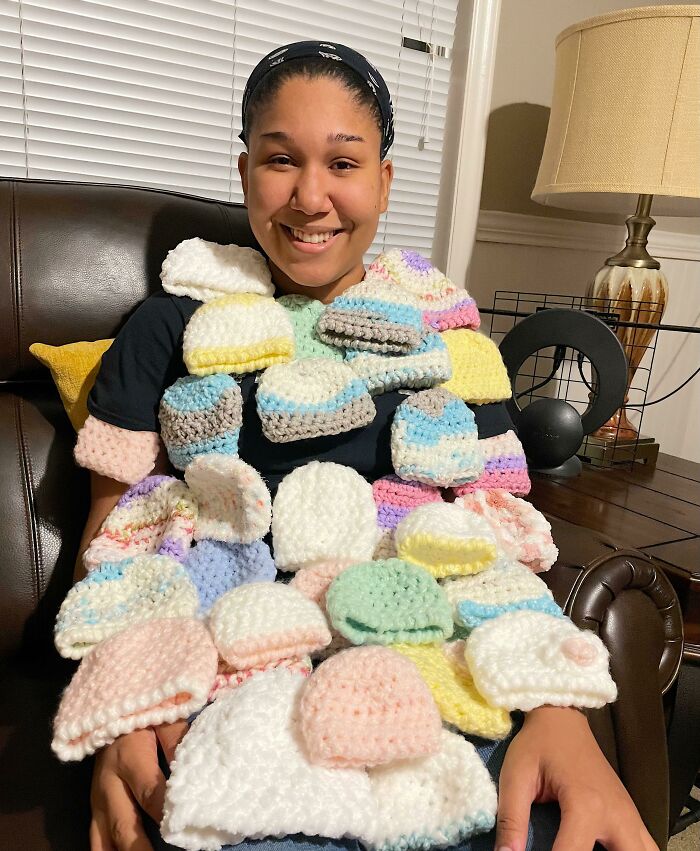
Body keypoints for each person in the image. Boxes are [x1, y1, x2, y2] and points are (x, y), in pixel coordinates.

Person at [73, 41, 658, 851]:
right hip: (241, 665)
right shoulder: (168, 328)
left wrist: (558, 711)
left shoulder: (445, 333)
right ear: (245, 172)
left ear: (383, 181)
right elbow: (115, 544)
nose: (311, 197)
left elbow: (496, 536)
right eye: (281, 160)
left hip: (434, 652)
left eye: (343, 163)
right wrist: (123, 705)